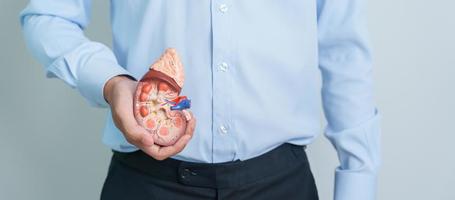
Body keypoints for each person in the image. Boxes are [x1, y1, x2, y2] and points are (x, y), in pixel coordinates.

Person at [20, 1, 381, 200]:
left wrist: (358, 183)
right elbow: (48, 16)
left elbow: (343, 47)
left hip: (281, 184)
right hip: (148, 184)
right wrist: (111, 83)